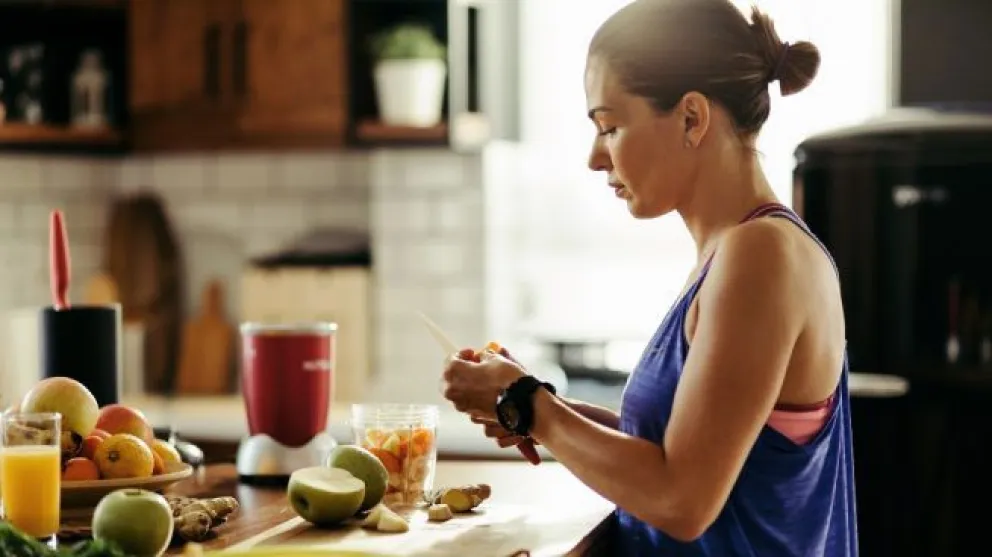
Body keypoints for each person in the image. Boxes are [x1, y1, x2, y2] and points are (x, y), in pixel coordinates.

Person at [439, 0, 857, 555]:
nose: (595, 157)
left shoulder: (761, 255)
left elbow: (682, 500)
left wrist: (528, 404)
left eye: (609, 127)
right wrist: (534, 404)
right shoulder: (737, 252)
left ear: (691, 118)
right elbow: (683, 449)